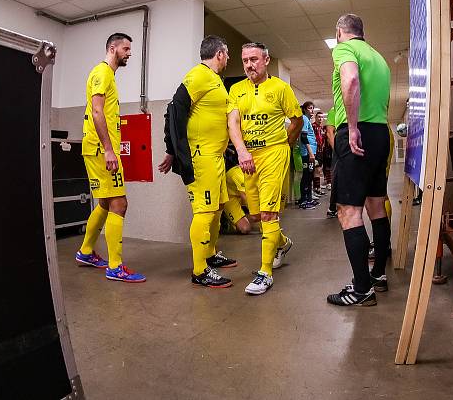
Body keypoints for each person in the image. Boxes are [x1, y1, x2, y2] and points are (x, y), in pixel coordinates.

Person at [159, 35, 237, 288]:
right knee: (204, 212)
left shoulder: (215, 80)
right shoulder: (199, 75)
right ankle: (199, 270)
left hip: (216, 157)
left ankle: (210, 254)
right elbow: (174, 109)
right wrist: (173, 150)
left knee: (216, 208)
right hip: (201, 157)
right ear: (220, 54)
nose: (228, 58)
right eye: (227, 54)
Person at [227, 43, 303, 295]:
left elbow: (297, 120)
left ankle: (265, 273)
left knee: (269, 214)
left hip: (273, 153)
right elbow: (233, 123)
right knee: (258, 215)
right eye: (245, 60)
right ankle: (282, 243)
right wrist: (242, 151)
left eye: (254, 59)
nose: (249, 65)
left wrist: (285, 145)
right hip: (249, 156)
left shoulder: (281, 89)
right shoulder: (237, 89)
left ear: (266, 60)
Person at [327, 14, 391, 307]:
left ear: (340, 32)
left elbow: (350, 79)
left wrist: (351, 128)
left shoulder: (343, 49)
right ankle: (378, 274)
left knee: (348, 212)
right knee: (376, 205)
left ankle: (362, 288)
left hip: (357, 133)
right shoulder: (378, 57)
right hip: (380, 132)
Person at [75, 33, 146, 283]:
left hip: (98, 149)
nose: (129, 53)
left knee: (105, 203)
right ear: (112, 48)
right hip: (99, 150)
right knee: (119, 204)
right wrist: (108, 149)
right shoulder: (102, 72)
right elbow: (96, 112)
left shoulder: (107, 75)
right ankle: (115, 266)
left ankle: (85, 252)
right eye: (126, 49)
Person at [298, 101, 318, 210]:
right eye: (310, 108)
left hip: (310, 152)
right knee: (307, 176)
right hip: (307, 153)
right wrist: (310, 153)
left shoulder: (307, 120)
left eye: (313, 108)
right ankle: (304, 201)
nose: (312, 111)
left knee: (309, 176)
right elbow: (304, 137)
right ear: (305, 109)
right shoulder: (304, 119)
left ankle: (308, 198)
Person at [324, 108, 338, 219]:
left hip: (351, 150)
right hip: (340, 152)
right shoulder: (334, 110)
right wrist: (337, 151)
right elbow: (329, 133)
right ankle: (332, 208)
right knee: (337, 180)